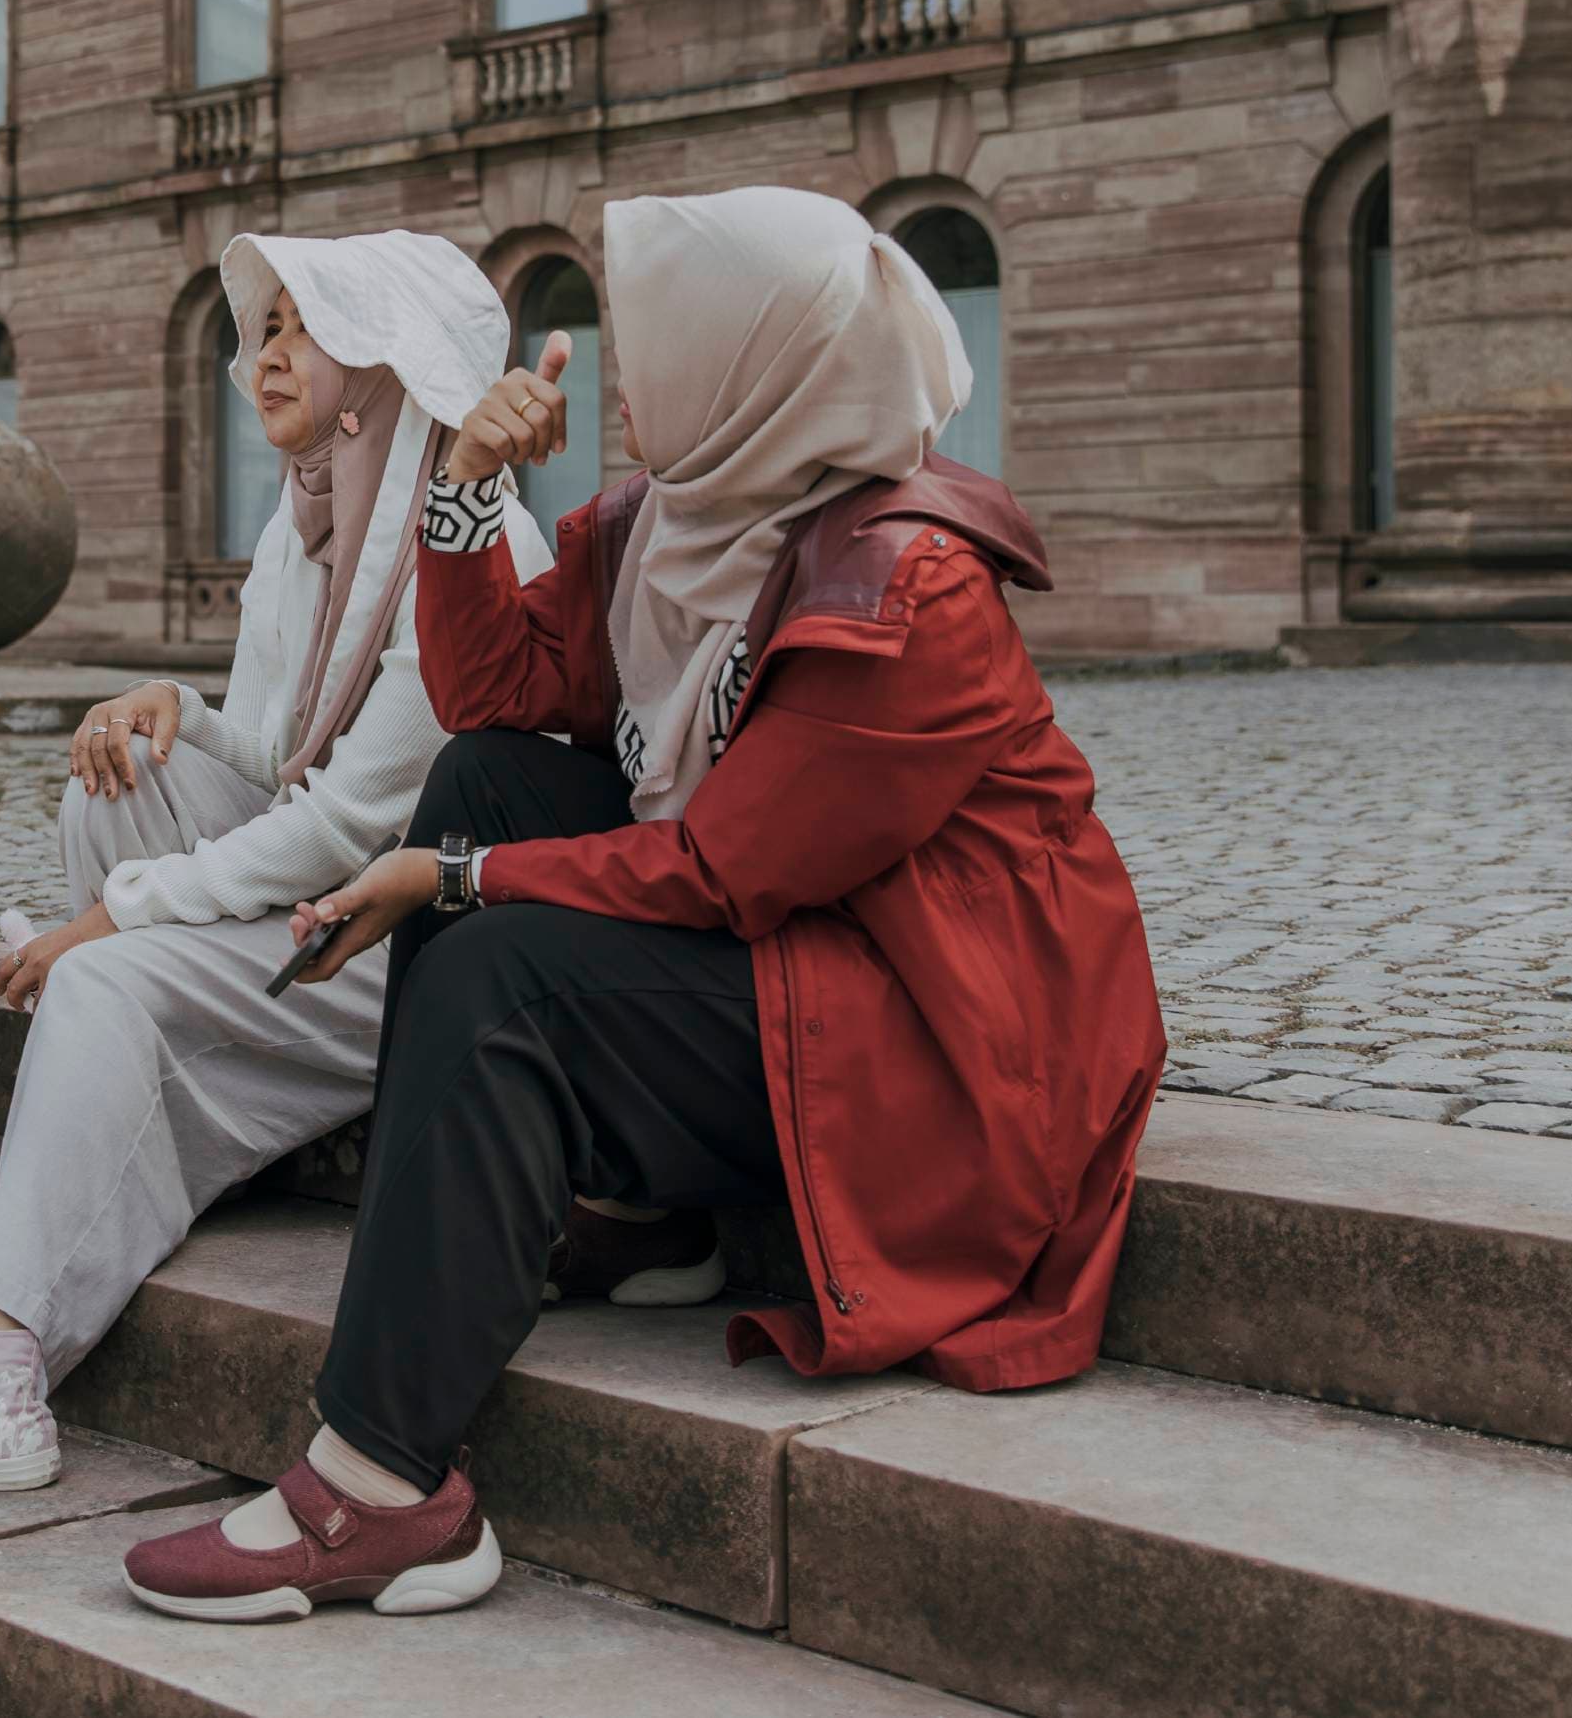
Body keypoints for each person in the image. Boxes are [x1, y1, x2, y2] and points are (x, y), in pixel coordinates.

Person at [118, 186, 1168, 1622]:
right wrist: (469, 490)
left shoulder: (916, 591)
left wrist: (455, 879)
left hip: (934, 1041)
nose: (627, 361)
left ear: (759, 357)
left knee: (507, 962)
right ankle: (643, 1217)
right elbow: (493, 698)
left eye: (657, 330)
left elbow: (730, 865)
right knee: (486, 777)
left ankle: (383, 1486)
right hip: (797, 979)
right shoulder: (669, 529)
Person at [0, 231, 550, 1492]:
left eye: (300, 326)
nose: (264, 356)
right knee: (127, 765)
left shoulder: (462, 531)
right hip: (332, 903)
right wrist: (174, 704)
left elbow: (351, 824)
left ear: (383, 359)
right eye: (264, 325)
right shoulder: (314, 517)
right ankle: (137, 1113)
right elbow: (287, 754)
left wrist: (112, 925)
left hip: (420, 945)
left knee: (107, 980)